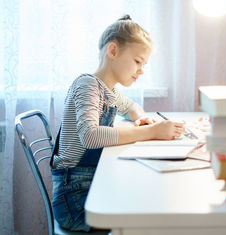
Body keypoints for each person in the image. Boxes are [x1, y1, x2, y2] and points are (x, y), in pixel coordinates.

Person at [50, 15, 185, 232]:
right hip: (75, 199)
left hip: (89, 185)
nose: (141, 70)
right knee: (146, 215)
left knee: (151, 195)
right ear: (112, 51)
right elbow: (91, 135)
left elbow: (131, 106)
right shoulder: (88, 86)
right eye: (138, 61)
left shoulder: (109, 90)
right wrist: (151, 132)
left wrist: (140, 118)